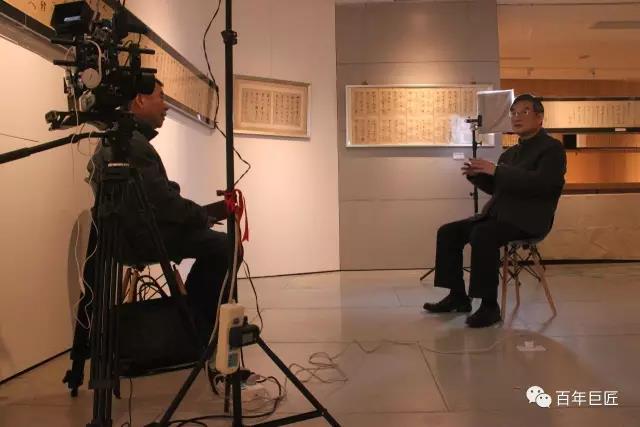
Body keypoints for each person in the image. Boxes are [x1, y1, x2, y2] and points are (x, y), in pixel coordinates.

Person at [89, 79, 230, 339]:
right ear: (140, 100)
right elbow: (163, 203)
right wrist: (201, 216)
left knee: (213, 239)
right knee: (226, 246)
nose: (166, 106)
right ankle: (197, 326)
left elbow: (155, 199)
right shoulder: (132, 144)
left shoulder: (118, 141)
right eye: (161, 97)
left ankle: (192, 319)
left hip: (127, 238)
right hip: (145, 239)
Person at [422, 94, 566, 328]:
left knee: (483, 234)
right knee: (448, 232)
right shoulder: (510, 153)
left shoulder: (552, 149)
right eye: (513, 113)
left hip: (528, 219)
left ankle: (489, 306)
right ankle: (458, 297)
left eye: (524, 112)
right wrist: (478, 176)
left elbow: (542, 184)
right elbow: (499, 189)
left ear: (540, 117)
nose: (516, 117)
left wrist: (497, 171)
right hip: (500, 216)